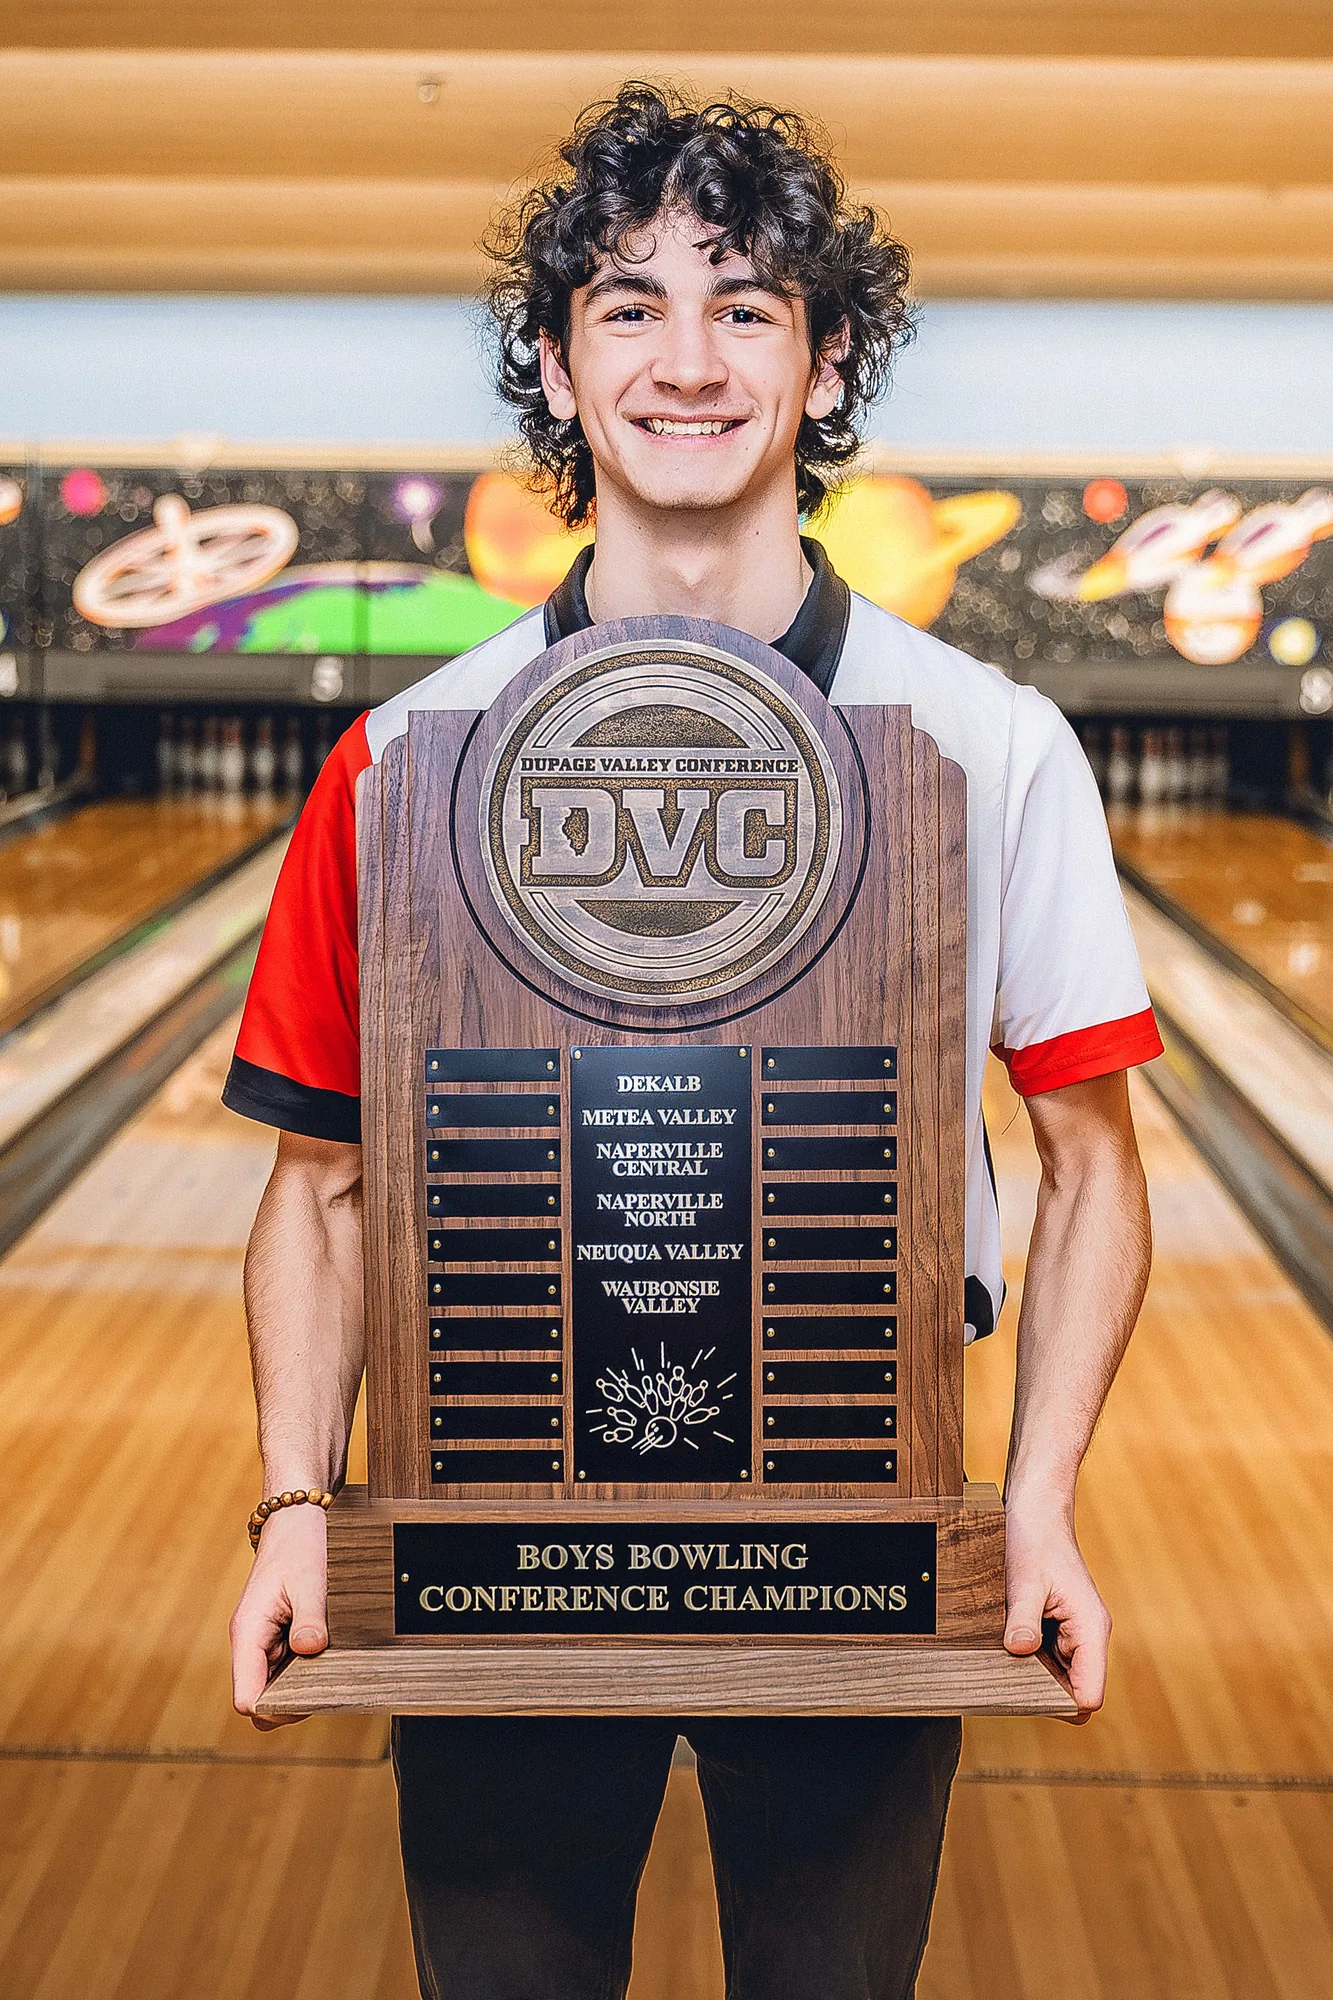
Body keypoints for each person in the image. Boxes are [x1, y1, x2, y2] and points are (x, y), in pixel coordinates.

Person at [224, 84, 1157, 2000]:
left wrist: (1041, 1506)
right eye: (629, 305)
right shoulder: (401, 762)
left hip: (861, 1559)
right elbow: (316, 1191)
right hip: (497, 1573)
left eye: (747, 305)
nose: (687, 358)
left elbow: (1096, 1167)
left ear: (824, 372)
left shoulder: (990, 746)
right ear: (558, 371)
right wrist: (297, 1511)